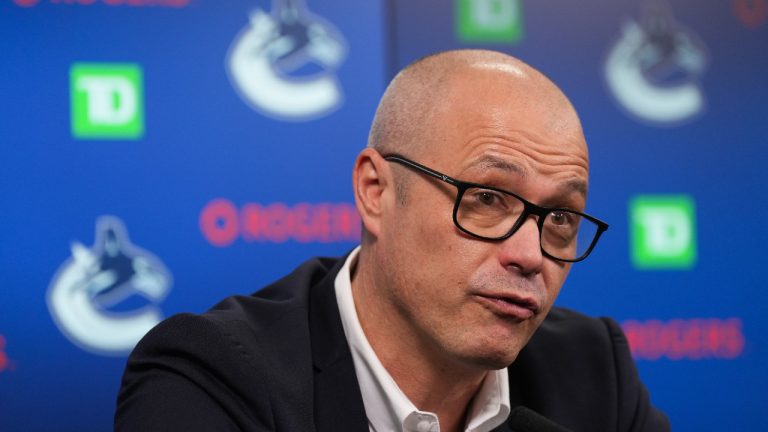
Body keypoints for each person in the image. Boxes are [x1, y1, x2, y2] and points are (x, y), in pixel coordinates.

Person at [115, 49, 670, 432]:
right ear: (376, 192)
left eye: (561, 218)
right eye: (486, 198)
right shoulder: (215, 376)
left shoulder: (595, 369)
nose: (529, 256)